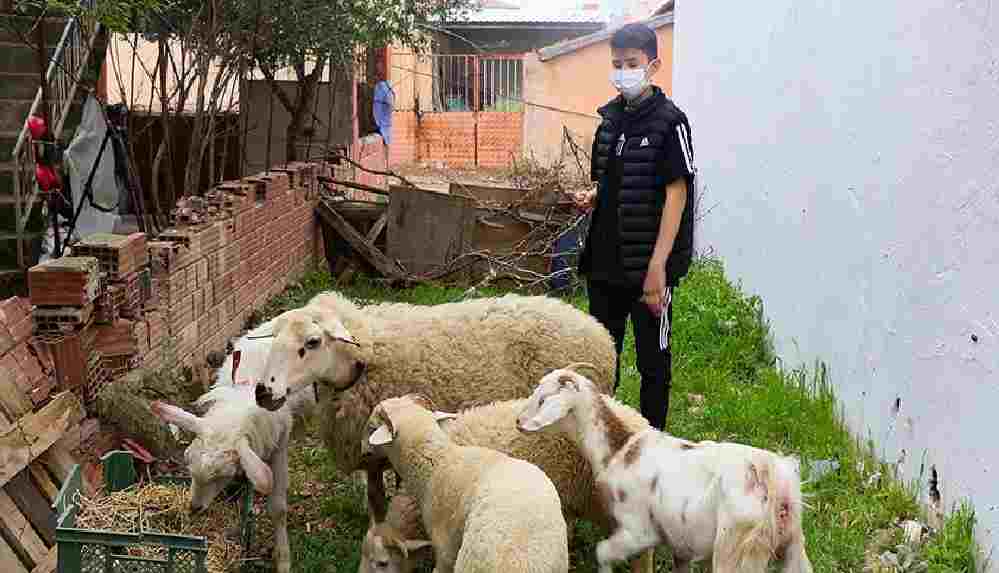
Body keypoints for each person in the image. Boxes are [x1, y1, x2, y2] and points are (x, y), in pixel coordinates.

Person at [573, 22, 697, 432]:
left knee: (653, 365)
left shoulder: (671, 122)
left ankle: (652, 446)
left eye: (632, 63)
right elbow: (614, 181)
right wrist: (594, 196)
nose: (623, 71)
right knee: (601, 362)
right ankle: (602, 441)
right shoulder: (609, 121)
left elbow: (677, 194)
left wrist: (659, 266)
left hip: (647, 267)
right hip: (604, 265)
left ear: (653, 66)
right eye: (617, 64)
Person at [372, 59, 395, 169]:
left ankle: (385, 165)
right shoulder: (380, 87)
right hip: (381, 120)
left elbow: (390, 102)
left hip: (384, 120)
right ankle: (385, 165)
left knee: (386, 143)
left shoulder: (385, 86)